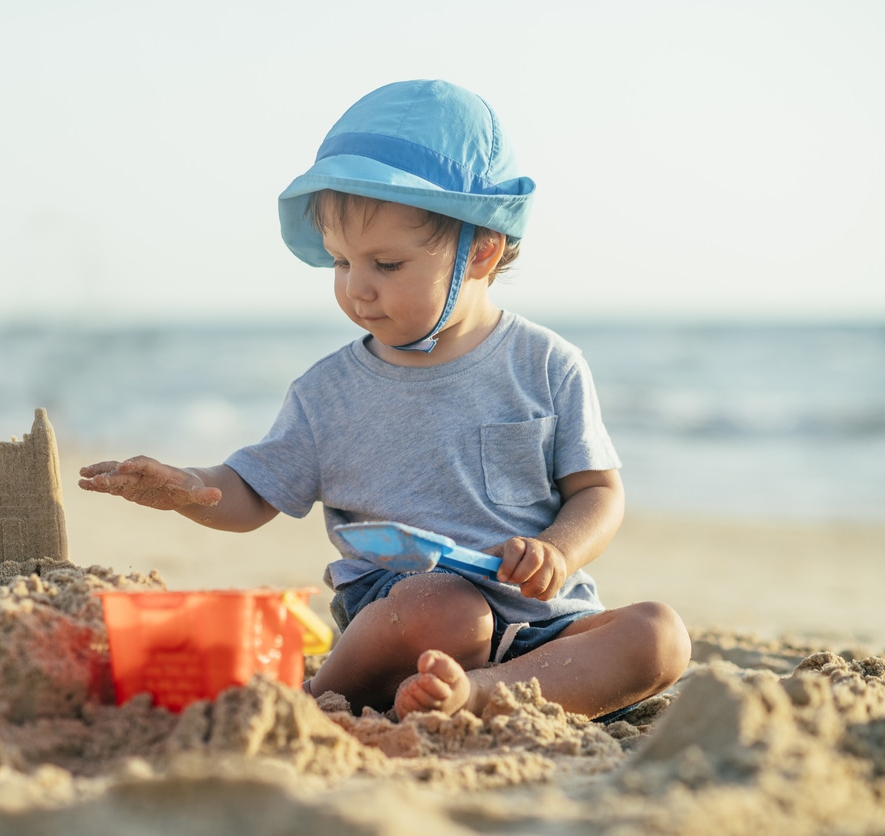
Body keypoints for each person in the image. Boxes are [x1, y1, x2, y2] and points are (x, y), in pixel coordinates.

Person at [79, 80, 690, 720]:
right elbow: (253, 491)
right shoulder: (327, 392)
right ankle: (319, 702)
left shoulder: (546, 363)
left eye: (386, 265)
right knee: (449, 611)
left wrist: (560, 550)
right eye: (342, 264)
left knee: (660, 633)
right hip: (406, 615)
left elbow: (598, 491)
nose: (357, 291)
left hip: (538, 621)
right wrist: (190, 486)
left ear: (480, 250)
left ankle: (476, 697)